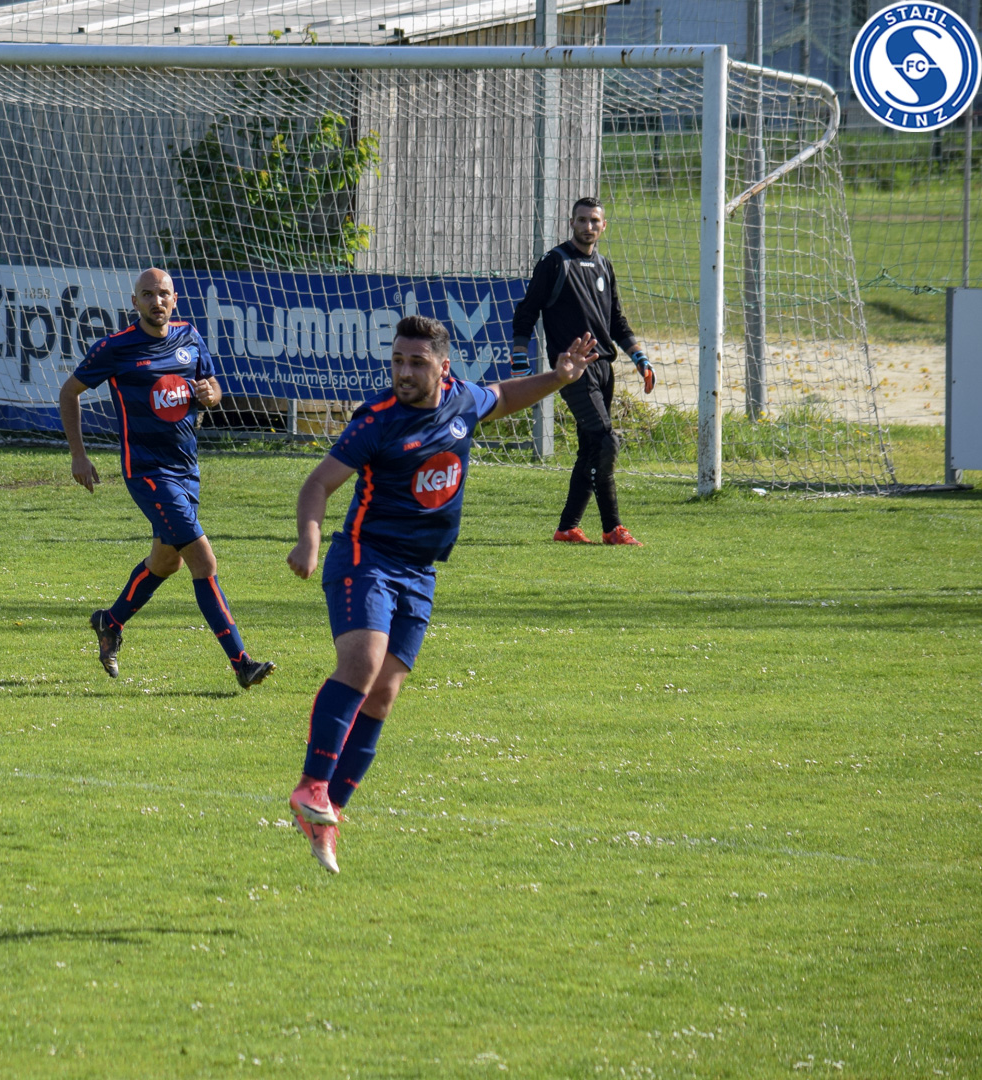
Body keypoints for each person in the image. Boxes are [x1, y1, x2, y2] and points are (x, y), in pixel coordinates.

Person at [284, 315, 598, 874]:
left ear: (444, 367)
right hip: (365, 558)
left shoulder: (461, 400)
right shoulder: (377, 421)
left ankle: (328, 814)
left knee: (383, 695)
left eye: (417, 362)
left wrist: (559, 377)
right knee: (363, 663)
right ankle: (312, 785)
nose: (404, 372)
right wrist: (309, 539)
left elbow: (504, 395)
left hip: (420, 571)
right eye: (397, 361)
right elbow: (318, 483)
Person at [58, 268, 275, 689]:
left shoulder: (189, 337)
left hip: (187, 471)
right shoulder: (115, 348)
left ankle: (110, 622)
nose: (157, 301)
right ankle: (242, 663)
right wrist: (78, 456)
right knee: (203, 561)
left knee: (166, 561)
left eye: (163, 294)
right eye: (148, 295)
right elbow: (70, 392)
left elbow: (212, 387)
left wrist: (212, 395)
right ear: (135, 303)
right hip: (148, 472)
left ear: (174, 299)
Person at [510, 197, 655, 546]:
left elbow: (616, 321)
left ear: (603, 226)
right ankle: (613, 528)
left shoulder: (604, 265)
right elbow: (528, 309)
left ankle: (568, 528)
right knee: (605, 442)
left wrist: (640, 358)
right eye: (582, 220)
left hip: (604, 368)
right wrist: (520, 352)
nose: (588, 226)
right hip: (573, 370)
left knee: (590, 447)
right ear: (571, 223)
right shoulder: (555, 262)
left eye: (594, 221)